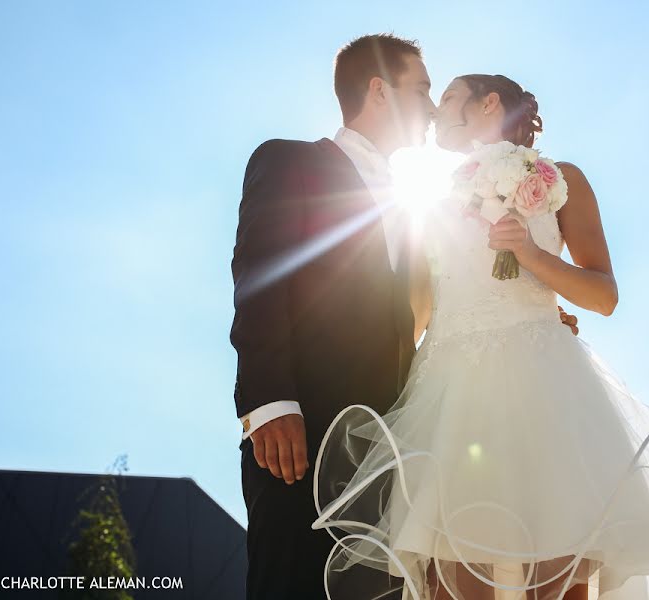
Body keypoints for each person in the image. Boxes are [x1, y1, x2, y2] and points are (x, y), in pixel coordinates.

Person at [310, 74, 649, 599]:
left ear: (488, 102)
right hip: (448, 391)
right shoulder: (430, 204)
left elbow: (604, 294)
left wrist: (531, 257)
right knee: (450, 571)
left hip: (542, 384)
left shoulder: (560, 179)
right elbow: (418, 310)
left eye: (448, 98)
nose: (437, 110)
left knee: (557, 566)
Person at [230, 36, 580, 599]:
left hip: (396, 438)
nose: (431, 107)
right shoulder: (290, 159)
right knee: (291, 577)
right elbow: (260, 274)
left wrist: (527, 321)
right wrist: (269, 400)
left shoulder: (418, 204)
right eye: (421, 89)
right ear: (379, 91)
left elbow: (427, 307)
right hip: (304, 429)